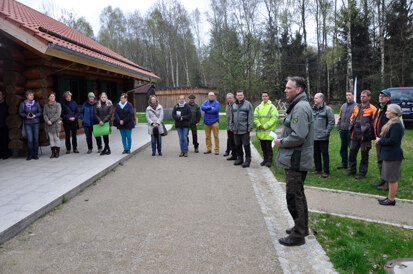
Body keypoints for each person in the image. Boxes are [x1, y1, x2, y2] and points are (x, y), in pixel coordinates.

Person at [274, 76, 314, 246]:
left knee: (293, 197)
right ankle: (302, 227)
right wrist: (282, 136)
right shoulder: (298, 105)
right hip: (295, 158)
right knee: (298, 194)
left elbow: (298, 136)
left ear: (298, 90)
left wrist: (281, 142)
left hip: (296, 160)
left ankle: (298, 236)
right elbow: (294, 130)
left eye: (289, 88)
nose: (285, 90)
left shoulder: (300, 108)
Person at [375, 104, 404, 206]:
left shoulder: (396, 125)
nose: (386, 112)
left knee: (392, 179)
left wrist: (380, 140)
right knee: (390, 178)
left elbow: (393, 140)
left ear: (394, 113)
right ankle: (389, 197)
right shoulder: (392, 123)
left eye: (388, 111)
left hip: (393, 155)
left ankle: (391, 200)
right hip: (389, 154)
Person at [347, 90, 377, 179]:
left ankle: (362, 173)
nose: (362, 98)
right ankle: (352, 170)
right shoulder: (357, 107)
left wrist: (369, 133)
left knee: (364, 156)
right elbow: (352, 118)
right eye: (361, 96)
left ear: (369, 97)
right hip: (355, 134)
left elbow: (374, 123)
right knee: (352, 153)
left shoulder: (372, 108)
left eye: (364, 96)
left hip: (365, 136)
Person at [312, 93, 335, 178]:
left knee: (324, 154)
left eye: (316, 98)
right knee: (316, 153)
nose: (314, 100)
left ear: (322, 99)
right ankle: (318, 169)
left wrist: (327, 132)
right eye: (314, 98)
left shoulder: (328, 109)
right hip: (314, 136)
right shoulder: (313, 109)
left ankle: (326, 171)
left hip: (323, 137)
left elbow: (332, 121)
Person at [254, 91, 279, 167]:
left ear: (268, 97)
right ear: (261, 97)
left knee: (268, 148)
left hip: (268, 132)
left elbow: (274, 118)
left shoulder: (272, 107)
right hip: (261, 132)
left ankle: (269, 161)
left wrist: (265, 126)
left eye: (266, 96)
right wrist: (259, 125)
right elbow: (255, 117)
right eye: (263, 96)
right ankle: (265, 160)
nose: (264, 97)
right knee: (263, 147)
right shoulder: (258, 107)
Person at [229, 90, 254, 168]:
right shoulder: (234, 105)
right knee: (237, 145)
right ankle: (240, 158)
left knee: (246, 145)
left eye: (241, 95)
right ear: (236, 96)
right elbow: (231, 116)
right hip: (236, 130)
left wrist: (250, 127)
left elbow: (251, 117)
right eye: (238, 95)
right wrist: (231, 126)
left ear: (243, 95)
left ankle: (247, 160)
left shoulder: (248, 104)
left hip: (245, 130)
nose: (240, 96)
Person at [373, 89, 392, 191]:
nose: (381, 97)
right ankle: (383, 179)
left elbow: (394, 125)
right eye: (380, 95)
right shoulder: (379, 108)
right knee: (380, 161)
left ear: (388, 98)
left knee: (387, 162)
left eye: (383, 96)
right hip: (379, 139)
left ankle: (388, 184)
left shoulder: (390, 109)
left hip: (386, 141)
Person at [19, 90, 42, 160]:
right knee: (30, 140)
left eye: (33, 95)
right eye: (30, 95)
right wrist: (26, 116)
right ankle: (30, 155)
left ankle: (35, 155)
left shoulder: (36, 103)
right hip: (27, 123)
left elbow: (40, 112)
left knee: (36, 139)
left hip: (36, 123)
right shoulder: (22, 104)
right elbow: (20, 113)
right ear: (26, 96)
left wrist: (35, 115)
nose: (32, 96)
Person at [336, 90, 356, 169]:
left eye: (349, 95)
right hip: (342, 131)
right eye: (347, 95)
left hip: (351, 131)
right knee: (343, 148)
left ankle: (351, 166)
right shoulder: (343, 106)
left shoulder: (356, 106)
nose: (348, 96)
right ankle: (344, 163)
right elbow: (340, 117)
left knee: (351, 149)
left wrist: (351, 128)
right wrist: (339, 126)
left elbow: (355, 119)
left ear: (353, 95)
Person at [43, 92, 62, 158]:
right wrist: (47, 120)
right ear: (48, 98)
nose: (52, 97)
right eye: (51, 96)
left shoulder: (58, 105)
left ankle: (57, 152)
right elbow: (44, 114)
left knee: (56, 138)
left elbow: (58, 114)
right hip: (48, 125)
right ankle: (53, 152)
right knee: (51, 139)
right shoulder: (46, 105)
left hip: (55, 124)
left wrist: (51, 121)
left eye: (53, 96)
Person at [224, 93, 237, 160]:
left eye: (230, 98)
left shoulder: (236, 105)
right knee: (231, 141)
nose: (229, 99)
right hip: (229, 126)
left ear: (233, 98)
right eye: (228, 98)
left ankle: (238, 155)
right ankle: (233, 155)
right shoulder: (227, 105)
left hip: (235, 127)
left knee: (236, 141)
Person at [0, 90, 11, 159]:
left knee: (4, 140)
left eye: (0, 95)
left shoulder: (5, 104)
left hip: (4, 125)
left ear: (3, 96)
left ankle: (5, 154)